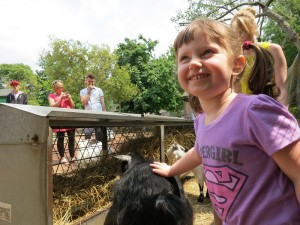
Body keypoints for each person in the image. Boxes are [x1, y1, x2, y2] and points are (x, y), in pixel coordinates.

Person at [150, 18, 300, 225]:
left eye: (206, 52)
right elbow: (200, 151)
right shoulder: (201, 121)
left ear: (236, 65)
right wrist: (171, 170)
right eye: (184, 58)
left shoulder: (255, 112)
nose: (193, 62)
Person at [231, 7, 288, 107]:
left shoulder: (273, 50)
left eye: (244, 31)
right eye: (236, 32)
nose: (240, 36)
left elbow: (281, 87)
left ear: (253, 28)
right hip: (246, 113)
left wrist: (283, 114)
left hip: (271, 109)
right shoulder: (235, 59)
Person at [48, 80, 76, 164]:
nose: (61, 89)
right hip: (59, 120)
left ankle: (72, 156)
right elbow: (52, 106)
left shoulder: (66, 95)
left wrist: (70, 98)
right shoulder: (51, 95)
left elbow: (73, 106)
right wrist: (61, 99)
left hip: (69, 119)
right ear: (55, 88)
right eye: (59, 87)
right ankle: (62, 157)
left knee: (71, 139)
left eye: (62, 87)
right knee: (61, 139)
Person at [80, 74, 106, 141]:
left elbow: (103, 103)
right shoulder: (82, 91)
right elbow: (83, 103)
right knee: (87, 136)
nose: (91, 83)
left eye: (92, 81)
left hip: (99, 116)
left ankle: (102, 149)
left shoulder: (99, 90)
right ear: (86, 81)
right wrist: (89, 91)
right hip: (88, 116)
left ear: (94, 81)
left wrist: (105, 115)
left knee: (99, 135)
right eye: (89, 81)